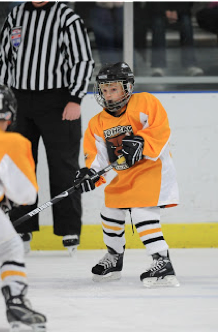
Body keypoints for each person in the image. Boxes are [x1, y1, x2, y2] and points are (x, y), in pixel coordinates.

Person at [0, 1, 95, 256]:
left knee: (63, 165)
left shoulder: (66, 17)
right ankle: (22, 226)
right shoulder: (16, 15)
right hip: (19, 100)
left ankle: (69, 229)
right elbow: (4, 57)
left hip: (59, 100)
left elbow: (82, 59)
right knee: (18, 165)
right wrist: (2, 96)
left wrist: (75, 98)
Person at [74, 62, 180, 287]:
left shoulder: (145, 102)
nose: (108, 95)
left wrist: (142, 141)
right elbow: (97, 156)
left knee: (142, 212)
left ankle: (162, 260)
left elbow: (160, 129)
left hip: (152, 170)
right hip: (125, 176)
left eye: (113, 89)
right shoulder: (97, 123)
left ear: (128, 87)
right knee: (110, 210)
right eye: (104, 90)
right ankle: (114, 257)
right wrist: (90, 173)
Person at [0, 84, 47, 332]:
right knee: (10, 246)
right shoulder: (11, 142)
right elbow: (26, 194)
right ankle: (16, 302)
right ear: (9, 113)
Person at [144, 1, 204, 77]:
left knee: (186, 23)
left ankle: (190, 64)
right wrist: (165, 11)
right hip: (158, 11)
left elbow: (188, 3)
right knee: (158, 23)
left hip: (181, 11)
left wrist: (177, 11)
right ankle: (157, 66)